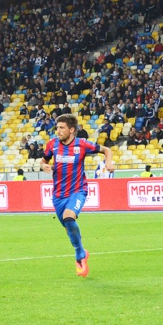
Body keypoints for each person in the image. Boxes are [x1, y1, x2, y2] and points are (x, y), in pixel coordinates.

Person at [41, 114, 113, 277]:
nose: (58, 131)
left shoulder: (82, 144)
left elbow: (106, 150)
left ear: (72, 130)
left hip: (77, 190)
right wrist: (44, 166)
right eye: (57, 128)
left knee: (69, 218)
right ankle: (82, 252)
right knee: (69, 228)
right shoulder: (52, 144)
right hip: (58, 195)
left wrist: (108, 162)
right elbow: (43, 160)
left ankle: (79, 255)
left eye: (62, 128)